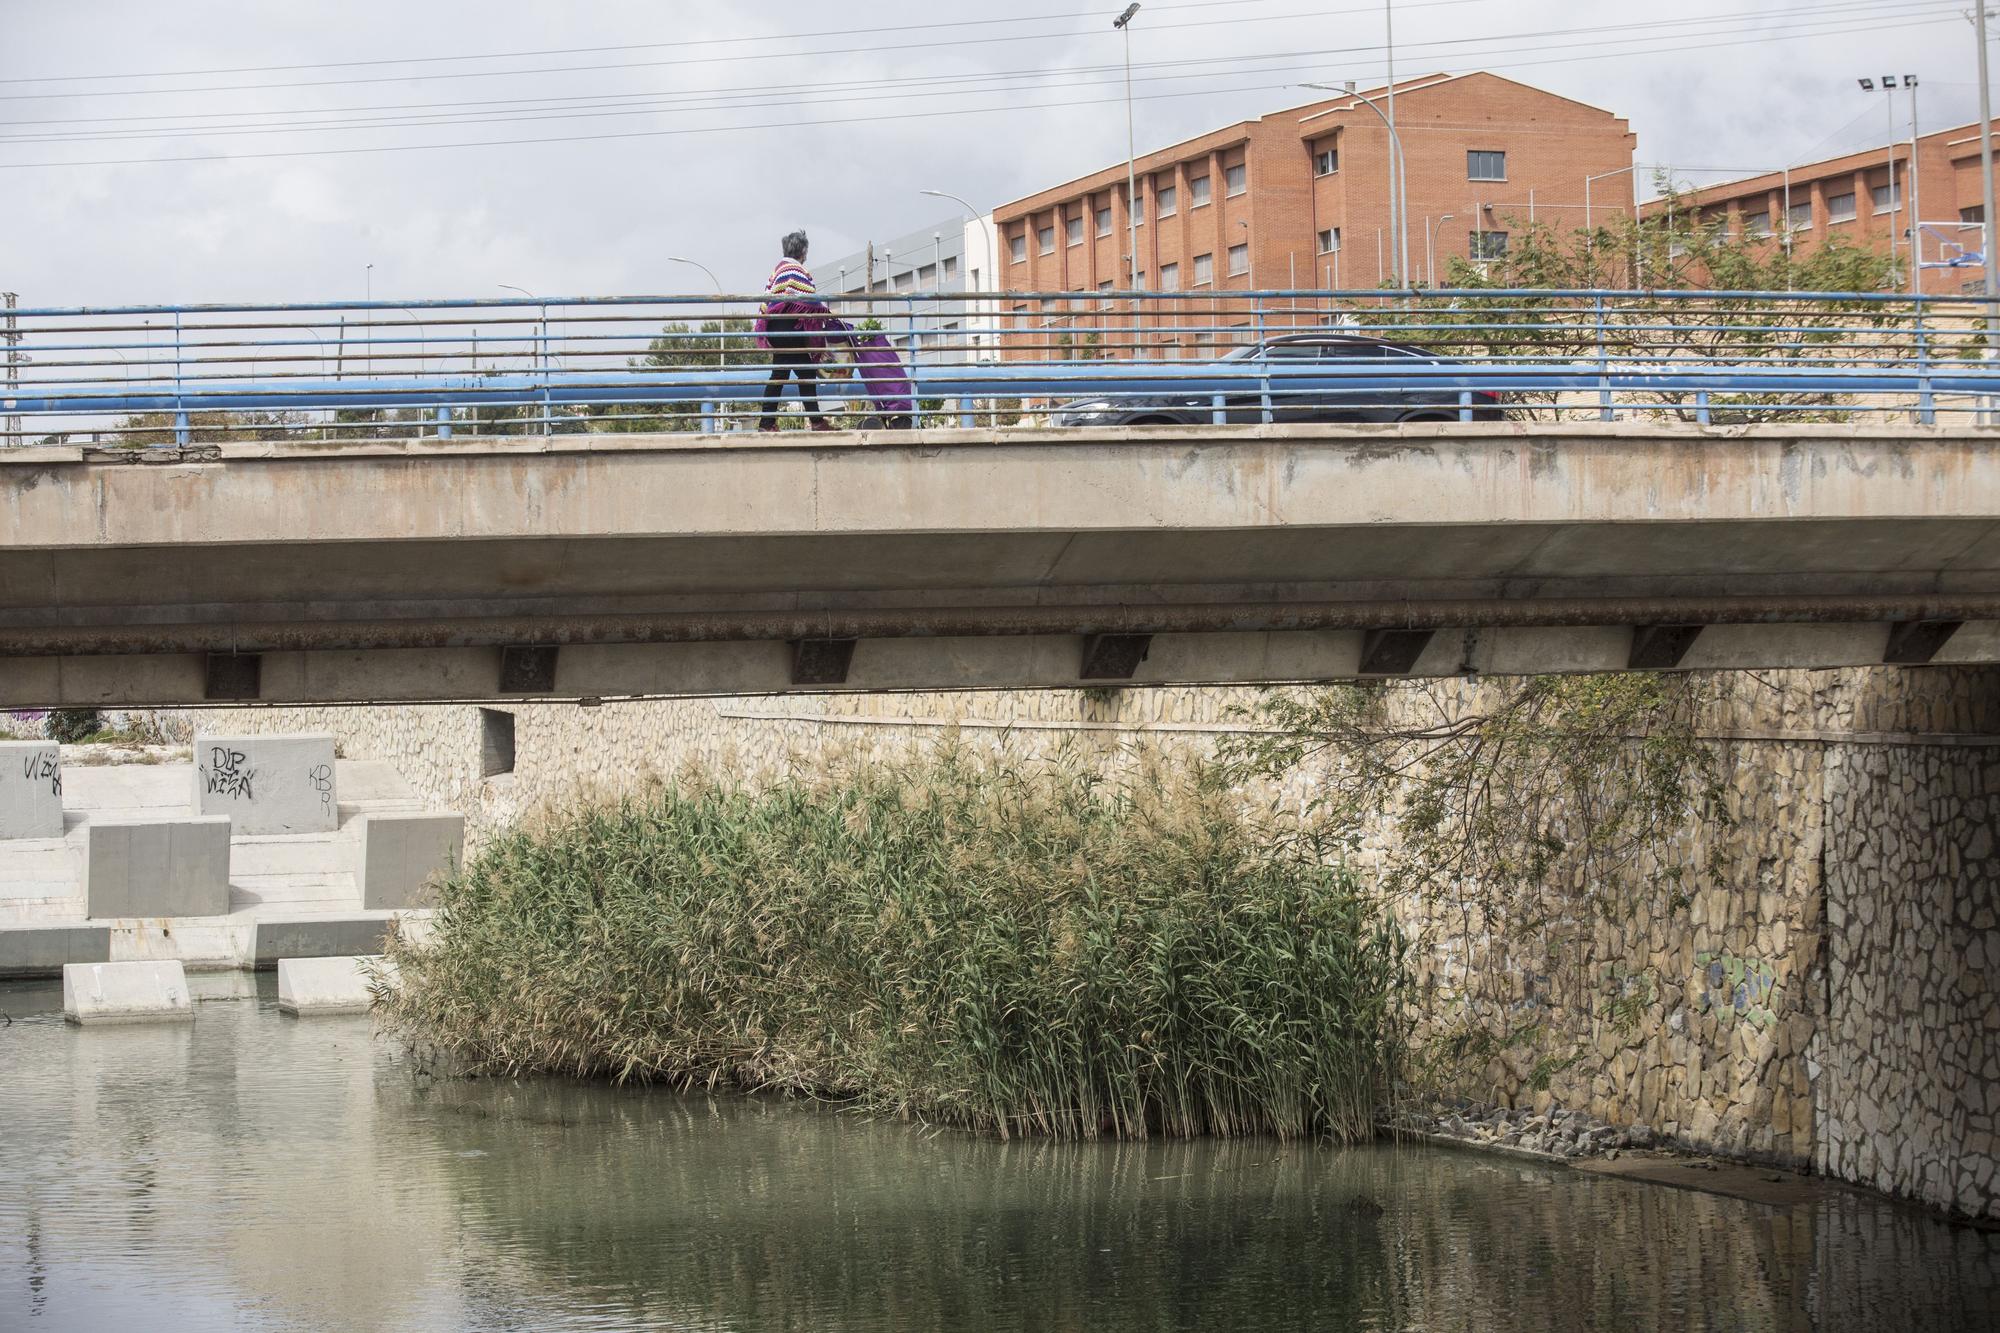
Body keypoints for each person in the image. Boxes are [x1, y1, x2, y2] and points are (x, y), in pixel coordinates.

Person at [756, 230, 834, 432]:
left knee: (783, 373)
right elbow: (808, 299)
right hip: (790, 326)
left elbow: (769, 299)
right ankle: (815, 422)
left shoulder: (778, 270)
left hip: (777, 327)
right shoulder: (796, 270)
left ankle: (768, 423)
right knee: (803, 373)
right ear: (803, 250)